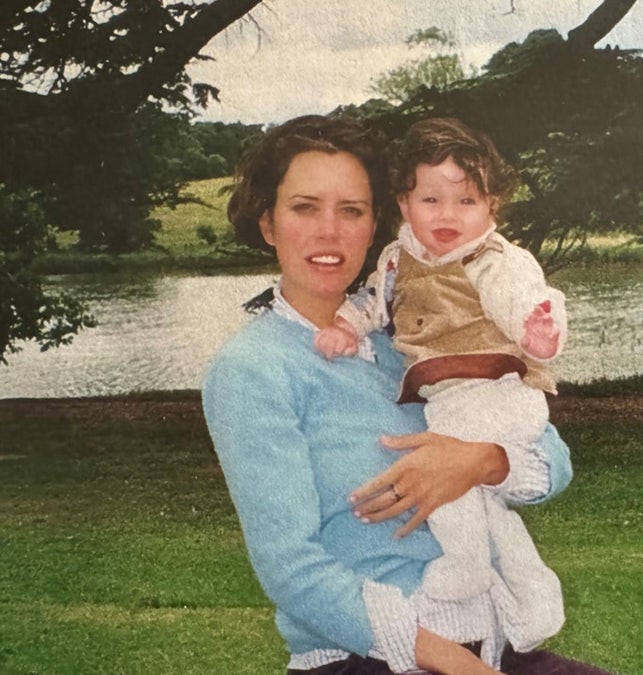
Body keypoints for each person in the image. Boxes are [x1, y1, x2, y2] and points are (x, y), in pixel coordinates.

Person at [202, 114, 608, 675]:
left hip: (493, 647)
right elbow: (291, 567)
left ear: (376, 225)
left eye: (352, 210)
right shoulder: (254, 369)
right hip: (368, 658)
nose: (330, 231)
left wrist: (480, 462)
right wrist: (455, 665)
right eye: (304, 208)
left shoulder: (412, 337)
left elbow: (554, 460)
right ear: (268, 223)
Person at [312, 118, 566, 641]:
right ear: (404, 204)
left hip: (495, 387)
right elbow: (371, 304)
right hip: (455, 392)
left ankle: (467, 560)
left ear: (492, 206)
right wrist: (345, 325)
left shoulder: (494, 261)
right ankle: (536, 596)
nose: (448, 215)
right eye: (431, 201)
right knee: (480, 499)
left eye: (466, 201)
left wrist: (537, 329)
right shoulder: (395, 260)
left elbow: (523, 299)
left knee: (440, 458)